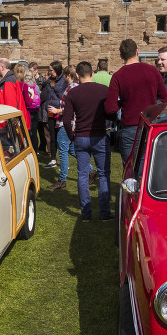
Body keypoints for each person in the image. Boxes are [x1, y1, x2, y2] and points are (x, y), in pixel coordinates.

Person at [104, 39, 167, 163]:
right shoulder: (152, 71)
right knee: (149, 166)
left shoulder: (118, 75)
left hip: (129, 126)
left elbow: (110, 108)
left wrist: (122, 106)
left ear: (121, 56)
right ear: (137, 52)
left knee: (130, 169)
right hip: (149, 124)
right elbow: (164, 99)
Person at [63, 61, 111, 220]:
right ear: (93, 73)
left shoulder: (73, 93)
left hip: (81, 137)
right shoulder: (104, 90)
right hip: (99, 136)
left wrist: (72, 137)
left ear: (77, 75)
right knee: (103, 174)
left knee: (82, 175)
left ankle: (86, 213)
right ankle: (104, 212)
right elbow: (111, 112)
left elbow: (66, 119)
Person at [46, 66, 93, 190]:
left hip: (66, 124)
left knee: (62, 151)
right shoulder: (78, 87)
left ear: (68, 75)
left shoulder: (71, 88)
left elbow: (70, 109)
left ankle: (62, 180)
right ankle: (91, 170)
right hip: (74, 124)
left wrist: (57, 110)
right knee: (72, 150)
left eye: (65, 75)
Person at [43, 61, 67, 168]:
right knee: (52, 136)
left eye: (51, 70)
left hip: (59, 112)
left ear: (56, 70)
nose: (49, 72)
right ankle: (53, 159)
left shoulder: (63, 81)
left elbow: (64, 98)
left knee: (61, 138)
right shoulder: (49, 80)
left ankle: (64, 162)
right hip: (50, 112)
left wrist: (56, 107)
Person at [0, 58, 28, 127]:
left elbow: (11, 106)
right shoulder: (8, 80)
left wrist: (10, 127)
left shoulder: (9, 81)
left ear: (2, 67)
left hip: (8, 125)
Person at [15, 62, 39, 151]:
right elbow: (28, 102)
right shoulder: (23, 85)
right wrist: (32, 95)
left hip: (14, 111)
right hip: (24, 113)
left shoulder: (12, 83)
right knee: (27, 135)